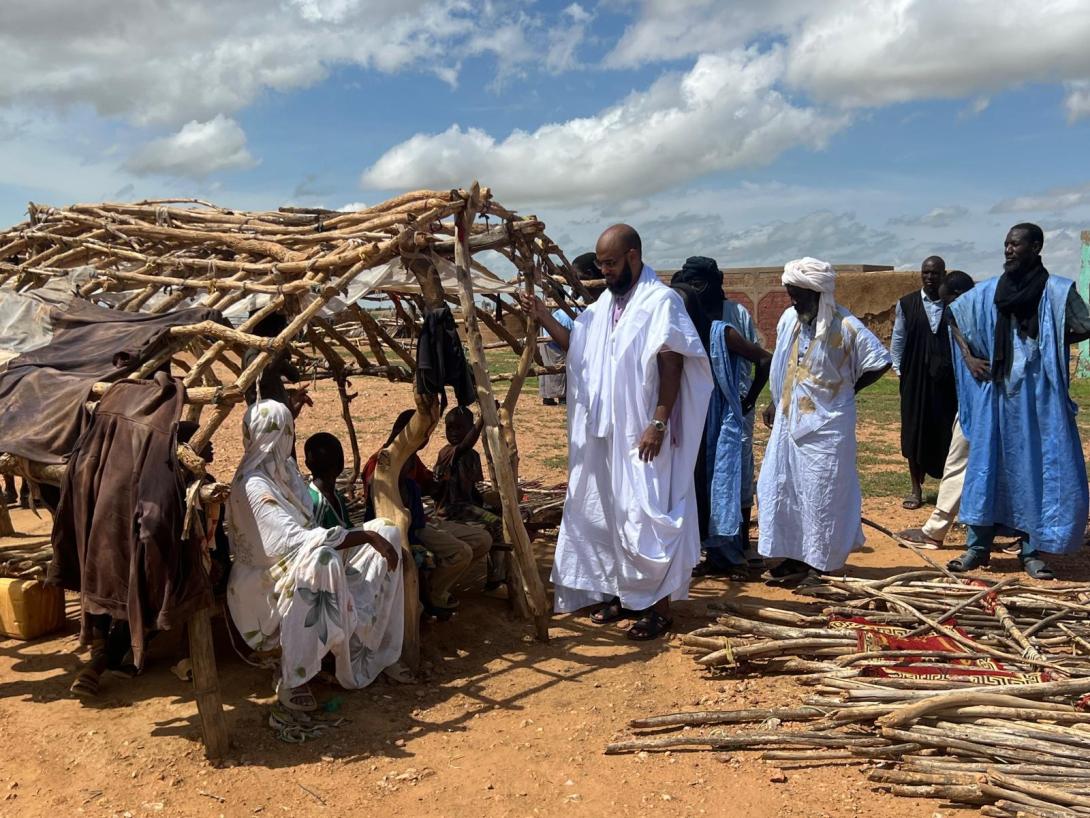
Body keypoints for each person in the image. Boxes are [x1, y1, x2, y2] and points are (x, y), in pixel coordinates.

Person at [518, 224, 713, 640]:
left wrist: (658, 421)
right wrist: (542, 316)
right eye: (601, 264)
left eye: (610, 263)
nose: (603, 271)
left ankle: (658, 609)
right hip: (605, 436)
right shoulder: (605, 306)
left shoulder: (660, 302)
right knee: (609, 516)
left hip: (643, 433)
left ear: (633, 256)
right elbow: (578, 348)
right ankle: (625, 596)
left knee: (645, 517)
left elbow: (673, 364)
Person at [226, 400, 404, 712]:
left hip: (304, 557)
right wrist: (365, 537)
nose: (291, 439)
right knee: (324, 561)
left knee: (387, 530)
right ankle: (294, 677)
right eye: (287, 432)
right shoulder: (251, 485)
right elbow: (292, 541)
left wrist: (374, 535)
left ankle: (362, 645)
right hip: (266, 581)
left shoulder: (283, 472)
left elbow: (309, 527)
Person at [945, 224, 1090, 580]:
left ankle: (1030, 551)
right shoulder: (990, 291)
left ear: (1036, 247)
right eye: (1006, 244)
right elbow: (954, 315)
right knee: (986, 467)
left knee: (1033, 470)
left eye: (1015, 244)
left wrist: (1053, 339)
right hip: (996, 396)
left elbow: (1085, 324)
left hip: (1037, 399)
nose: (1008, 250)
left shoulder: (1057, 291)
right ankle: (977, 548)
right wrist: (968, 358)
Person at [757, 258, 892, 585]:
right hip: (789, 423)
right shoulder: (789, 319)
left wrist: (846, 389)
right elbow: (785, 364)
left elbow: (879, 361)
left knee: (822, 495)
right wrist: (776, 400)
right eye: (790, 294)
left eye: (798, 295)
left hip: (827, 428)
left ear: (818, 292)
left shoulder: (845, 325)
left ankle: (823, 566)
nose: (793, 301)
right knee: (784, 488)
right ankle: (794, 557)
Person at [669, 257, 771, 580]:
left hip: (727, 414)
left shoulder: (726, 326)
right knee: (703, 481)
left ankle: (736, 553)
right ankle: (715, 552)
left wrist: (748, 399)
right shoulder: (688, 327)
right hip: (698, 414)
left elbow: (762, 359)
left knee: (731, 479)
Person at [363, 409, 492, 614]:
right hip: (404, 529)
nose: (426, 439)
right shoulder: (381, 462)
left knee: (483, 539)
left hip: (423, 521)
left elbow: (429, 485)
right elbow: (382, 505)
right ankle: (433, 595)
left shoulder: (411, 458)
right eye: (424, 433)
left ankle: (436, 584)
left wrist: (440, 480)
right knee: (461, 552)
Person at [897, 271, 976, 549]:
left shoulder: (976, 319)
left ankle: (936, 532)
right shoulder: (967, 317)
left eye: (949, 302)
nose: (947, 309)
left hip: (977, 403)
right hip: (969, 400)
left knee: (958, 461)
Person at [891, 256, 958, 510]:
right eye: (926, 272)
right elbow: (898, 339)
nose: (930, 277)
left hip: (946, 380)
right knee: (914, 430)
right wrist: (900, 371)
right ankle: (915, 488)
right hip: (914, 377)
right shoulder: (907, 304)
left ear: (943, 275)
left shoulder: (953, 304)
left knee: (947, 431)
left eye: (935, 273)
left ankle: (948, 491)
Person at [433, 405, 507, 591]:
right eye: (450, 428)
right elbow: (465, 445)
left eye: (459, 428)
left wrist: (484, 505)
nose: (454, 433)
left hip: (467, 507)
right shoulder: (447, 452)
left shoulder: (472, 456)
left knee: (497, 518)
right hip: (451, 510)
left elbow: (471, 488)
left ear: (468, 428)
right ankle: (496, 575)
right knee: (496, 524)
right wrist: (482, 420)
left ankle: (497, 571)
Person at [539, 253, 603, 406]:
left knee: (557, 369)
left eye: (576, 277)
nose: (573, 283)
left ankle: (555, 396)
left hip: (554, 336)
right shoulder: (583, 306)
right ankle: (557, 396)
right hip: (554, 337)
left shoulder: (589, 306)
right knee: (558, 368)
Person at [304, 432, 353, 529]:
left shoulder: (334, 495)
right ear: (341, 464)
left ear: (307, 464)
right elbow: (315, 537)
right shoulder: (316, 504)